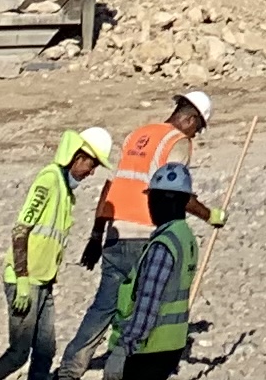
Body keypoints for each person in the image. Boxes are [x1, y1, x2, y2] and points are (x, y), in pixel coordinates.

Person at [60, 96, 220, 378]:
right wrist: (210, 215)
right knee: (140, 307)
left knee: (104, 306)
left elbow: (113, 184)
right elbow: (173, 191)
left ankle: (70, 369)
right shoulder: (177, 142)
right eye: (199, 128)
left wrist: (96, 234)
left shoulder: (139, 134)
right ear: (190, 119)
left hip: (116, 231)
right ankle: (122, 366)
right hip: (146, 234)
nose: (197, 134)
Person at [0, 128, 113, 380]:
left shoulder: (66, 192)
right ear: (77, 156)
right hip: (25, 281)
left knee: (46, 351)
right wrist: (22, 279)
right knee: (18, 353)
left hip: (43, 282)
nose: (91, 173)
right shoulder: (48, 180)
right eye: (91, 165)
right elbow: (20, 230)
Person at [73, 162, 204, 380]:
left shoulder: (164, 244)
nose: (150, 206)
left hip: (148, 348)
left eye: (151, 199)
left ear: (163, 200)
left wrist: (124, 348)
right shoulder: (186, 237)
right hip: (173, 344)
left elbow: (148, 303)